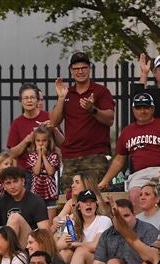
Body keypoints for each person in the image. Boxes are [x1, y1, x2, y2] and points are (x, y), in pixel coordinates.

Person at [99, 92, 160, 216]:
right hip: (140, 173)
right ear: (133, 110)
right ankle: (142, 233)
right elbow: (119, 160)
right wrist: (105, 181)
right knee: (135, 195)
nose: (143, 111)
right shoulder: (127, 131)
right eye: (139, 108)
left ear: (152, 109)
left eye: (146, 107)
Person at [48, 52, 115, 193]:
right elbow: (53, 122)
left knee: (95, 198)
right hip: (71, 157)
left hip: (95, 156)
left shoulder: (100, 91)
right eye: (76, 69)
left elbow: (109, 119)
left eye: (83, 68)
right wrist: (61, 98)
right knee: (70, 200)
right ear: (71, 71)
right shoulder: (68, 93)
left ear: (89, 68)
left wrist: (92, 109)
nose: (80, 71)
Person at [6, 84, 60, 159]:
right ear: (21, 101)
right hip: (24, 169)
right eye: (26, 98)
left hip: (47, 168)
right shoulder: (17, 123)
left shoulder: (49, 117)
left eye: (32, 97)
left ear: (37, 100)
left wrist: (55, 129)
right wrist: (27, 140)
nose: (29, 100)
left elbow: (62, 144)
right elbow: (12, 154)